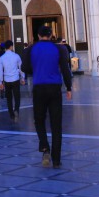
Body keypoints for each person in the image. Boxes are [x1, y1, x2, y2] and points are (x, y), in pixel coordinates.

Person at [27, 27, 73, 168]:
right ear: (51, 35)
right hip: (55, 88)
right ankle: (56, 160)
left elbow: (25, 68)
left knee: (39, 120)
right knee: (56, 124)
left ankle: (45, 146)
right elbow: (65, 69)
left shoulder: (31, 49)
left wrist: (38, 68)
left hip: (39, 87)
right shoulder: (60, 49)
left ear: (38, 35)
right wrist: (69, 87)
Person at [0, 40, 25, 121]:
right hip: (15, 79)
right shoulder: (16, 56)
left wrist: (0, 82)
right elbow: (21, 68)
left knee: (9, 98)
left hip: (7, 80)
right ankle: (16, 110)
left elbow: (0, 71)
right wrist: (22, 77)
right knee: (17, 97)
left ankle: (11, 114)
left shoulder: (2, 58)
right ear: (11, 46)